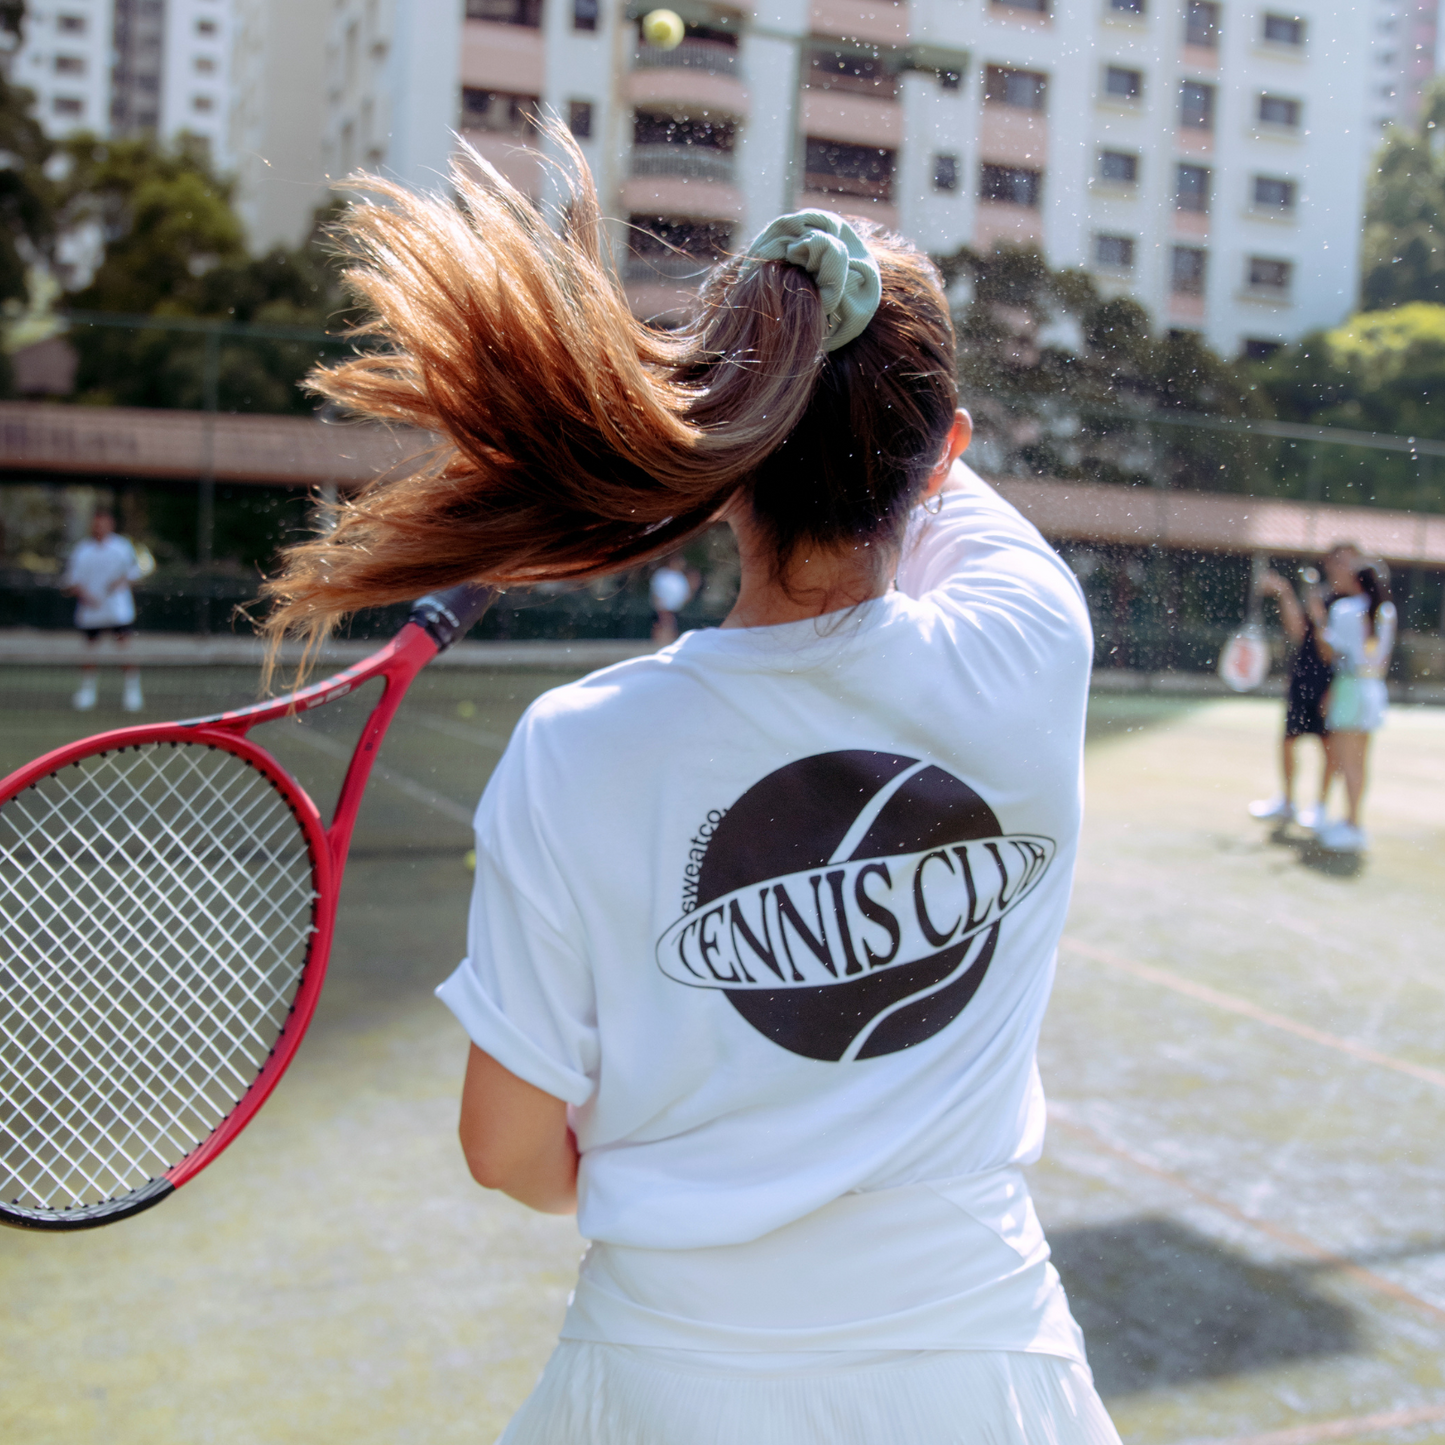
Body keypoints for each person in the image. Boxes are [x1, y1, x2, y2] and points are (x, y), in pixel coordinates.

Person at [260, 137, 1119, 1445]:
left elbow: (508, 1152)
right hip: (987, 1373)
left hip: (663, 1382)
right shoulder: (1031, 640)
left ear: (728, 456)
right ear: (941, 450)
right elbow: (919, 462)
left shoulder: (579, 745)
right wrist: (797, 366)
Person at [1248, 552, 1349, 829]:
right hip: (1302, 680)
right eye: (1336, 561)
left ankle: (1319, 807)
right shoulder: (1323, 596)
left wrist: (1319, 620)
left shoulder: (1351, 605)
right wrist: (1285, 593)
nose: (1339, 567)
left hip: (1331, 683)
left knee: (1330, 748)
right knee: (1289, 741)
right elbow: (1297, 632)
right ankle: (1288, 802)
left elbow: (1331, 653)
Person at [1310, 554, 1396, 853]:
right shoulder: (1386, 611)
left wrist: (1318, 618)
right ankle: (1353, 820)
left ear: (1357, 580)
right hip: (1373, 690)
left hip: (1349, 689)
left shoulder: (1345, 610)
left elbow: (1331, 655)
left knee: (1347, 764)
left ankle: (1352, 825)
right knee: (1360, 763)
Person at [61, 505, 144, 712]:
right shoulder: (82, 550)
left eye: (104, 523)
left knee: (125, 651)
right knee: (89, 654)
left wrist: (120, 581)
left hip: (118, 611)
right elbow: (71, 582)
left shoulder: (123, 547)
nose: (100, 527)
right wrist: (85, 595)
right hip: (91, 613)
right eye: (96, 523)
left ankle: (132, 692)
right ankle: (87, 693)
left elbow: (134, 573)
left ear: (111, 524)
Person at [648, 552, 693, 644]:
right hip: (662, 607)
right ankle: (657, 643)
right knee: (661, 625)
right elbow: (656, 591)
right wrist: (660, 605)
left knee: (672, 626)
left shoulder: (681, 577)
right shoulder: (662, 574)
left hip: (675, 608)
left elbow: (686, 594)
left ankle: (669, 643)